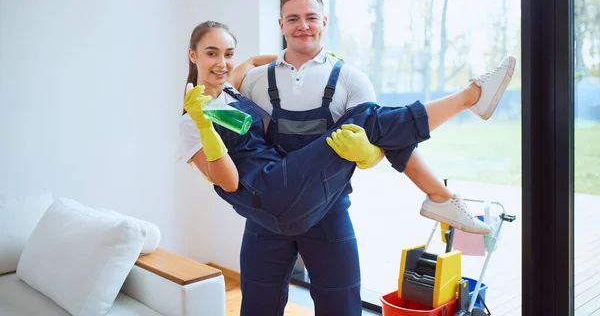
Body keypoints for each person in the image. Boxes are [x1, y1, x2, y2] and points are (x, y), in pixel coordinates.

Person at [180, 16, 515, 314]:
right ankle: (469, 101)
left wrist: (317, 60)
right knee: (365, 119)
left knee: (364, 118)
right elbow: (227, 182)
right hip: (270, 195)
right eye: (211, 53)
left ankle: (441, 191)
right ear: (193, 55)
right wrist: (204, 125)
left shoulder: (232, 86)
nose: (222, 62)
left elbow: (253, 60)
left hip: (298, 185)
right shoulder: (190, 120)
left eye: (227, 53)